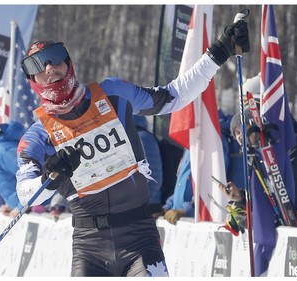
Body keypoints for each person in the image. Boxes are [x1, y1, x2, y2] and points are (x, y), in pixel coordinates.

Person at [16, 15, 249, 277]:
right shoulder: (38, 135)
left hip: (140, 237)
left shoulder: (113, 94)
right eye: (37, 64)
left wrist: (218, 52)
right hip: (89, 247)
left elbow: (172, 97)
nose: (49, 67)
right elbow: (25, 194)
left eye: (55, 57)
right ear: (31, 79)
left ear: (68, 63)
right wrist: (51, 178)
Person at [133, 115, 163, 208]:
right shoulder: (132, 136)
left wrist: (139, 205)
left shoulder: (142, 137)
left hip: (146, 208)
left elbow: (153, 177)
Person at [162, 149, 194, 224]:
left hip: (197, 225)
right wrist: (167, 207)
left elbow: (212, 188)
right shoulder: (188, 148)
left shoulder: (213, 143)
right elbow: (181, 187)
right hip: (178, 223)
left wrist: (186, 210)